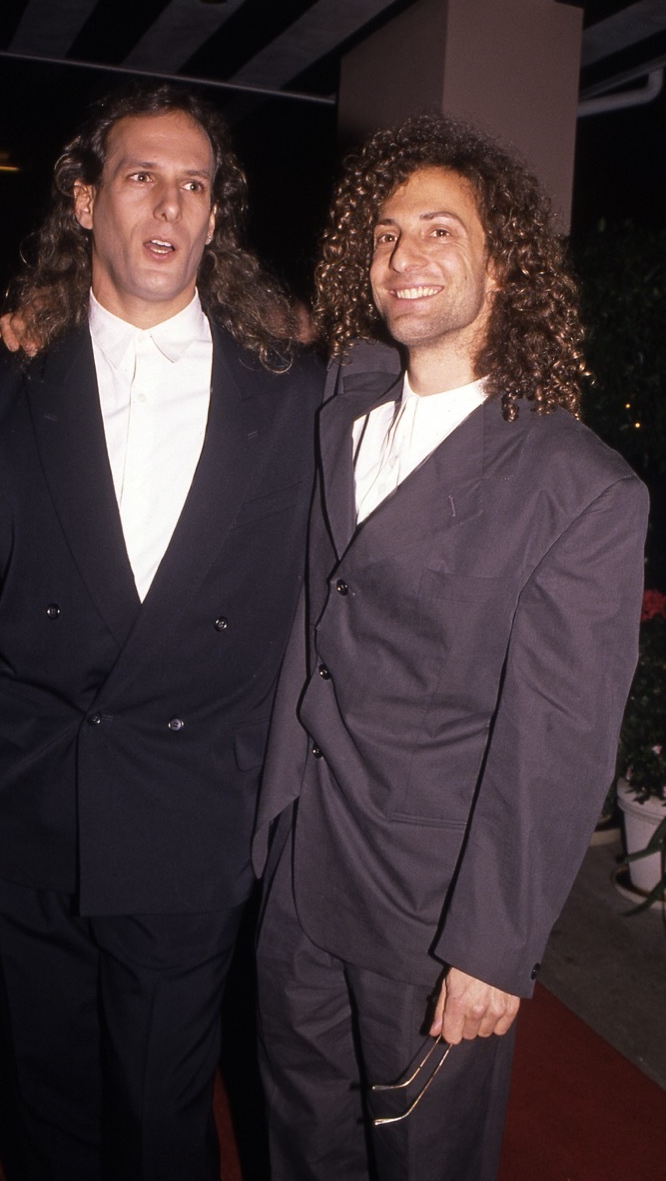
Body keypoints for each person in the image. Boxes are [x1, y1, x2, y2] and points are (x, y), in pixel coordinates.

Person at [253, 113, 648, 1181]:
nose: (402, 259)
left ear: (502, 266)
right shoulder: (341, 406)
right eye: (384, 236)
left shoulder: (578, 488)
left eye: (438, 232)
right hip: (297, 871)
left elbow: (555, 743)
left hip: (428, 913)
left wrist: (491, 943)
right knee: (300, 1144)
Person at [0, 81, 322, 1181]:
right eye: (140, 176)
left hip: (192, 814)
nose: (168, 203)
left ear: (214, 218)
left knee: (164, 1117)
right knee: (46, 1110)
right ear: (83, 201)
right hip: (29, 814)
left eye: (193, 184)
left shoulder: (296, 391)